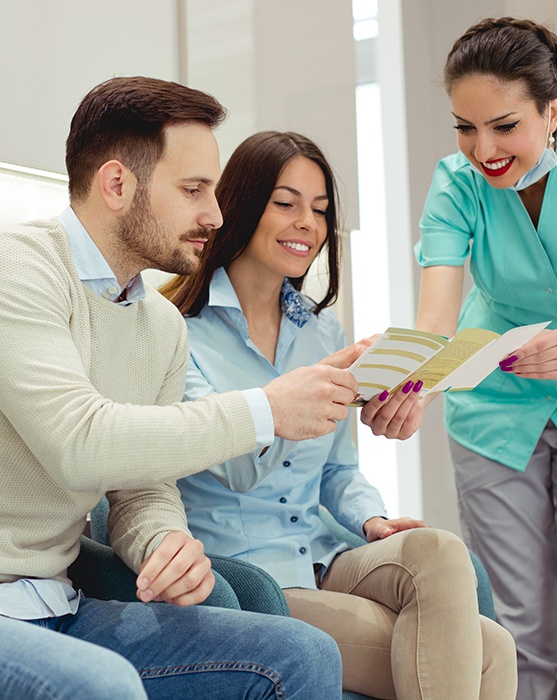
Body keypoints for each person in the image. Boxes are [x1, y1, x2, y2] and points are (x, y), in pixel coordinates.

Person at [0, 76, 356, 699]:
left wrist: (162, 541)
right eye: (194, 189)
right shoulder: (12, 268)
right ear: (118, 184)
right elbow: (80, 442)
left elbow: (141, 487)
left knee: (300, 653)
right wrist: (266, 410)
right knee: (103, 685)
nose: (217, 214)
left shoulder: (160, 325)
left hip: (60, 603)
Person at [160, 130, 518, 700]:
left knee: (442, 553)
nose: (308, 222)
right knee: (488, 652)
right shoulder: (174, 329)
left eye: (321, 210)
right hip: (250, 579)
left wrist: (373, 521)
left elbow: (336, 471)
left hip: (325, 557)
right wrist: (303, 391)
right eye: (286, 203)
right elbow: (233, 467)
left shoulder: (321, 328)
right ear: (241, 205)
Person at [414, 17, 557, 700]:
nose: (482, 149)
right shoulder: (455, 185)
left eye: (503, 126)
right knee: (515, 632)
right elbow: (435, 322)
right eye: (465, 127)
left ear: (553, 109)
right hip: (491, 406)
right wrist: (409, 382)